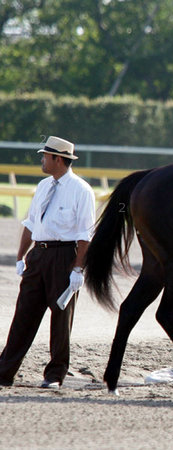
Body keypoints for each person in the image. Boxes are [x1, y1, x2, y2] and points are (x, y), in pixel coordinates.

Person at [0, 136, 95, 389]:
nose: (42, 160)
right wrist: (21, 257)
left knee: (61, 318)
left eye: (45, 156)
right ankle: (4, 372)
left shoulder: (82, 190)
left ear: (58, 159)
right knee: (23, 315)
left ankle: (54, 375)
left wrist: (77, 268)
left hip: (64, 256)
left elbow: (85, 234)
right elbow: (30, 224)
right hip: (38, 256)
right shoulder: (43, 186)